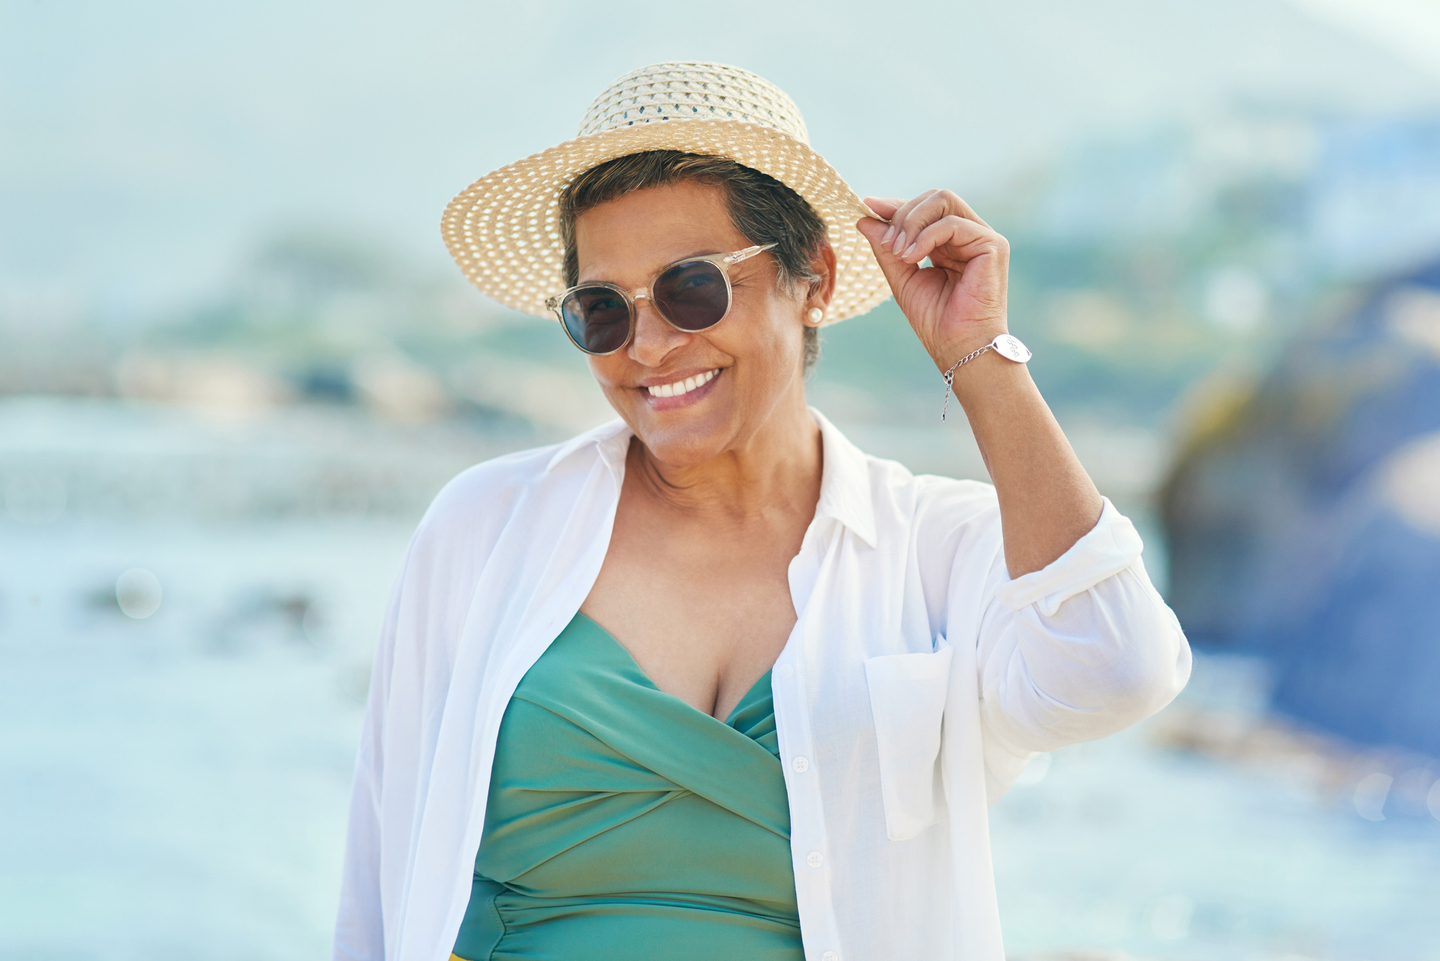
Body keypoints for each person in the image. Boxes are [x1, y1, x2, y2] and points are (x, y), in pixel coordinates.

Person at [332, 61, 1191, 961]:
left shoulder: (936, 548)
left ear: (812, 277)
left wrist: (980, 359)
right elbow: (377, 869)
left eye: (690, 288)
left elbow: (1118, 668)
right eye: (601, 311)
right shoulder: (484, 527)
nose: (652, 347)